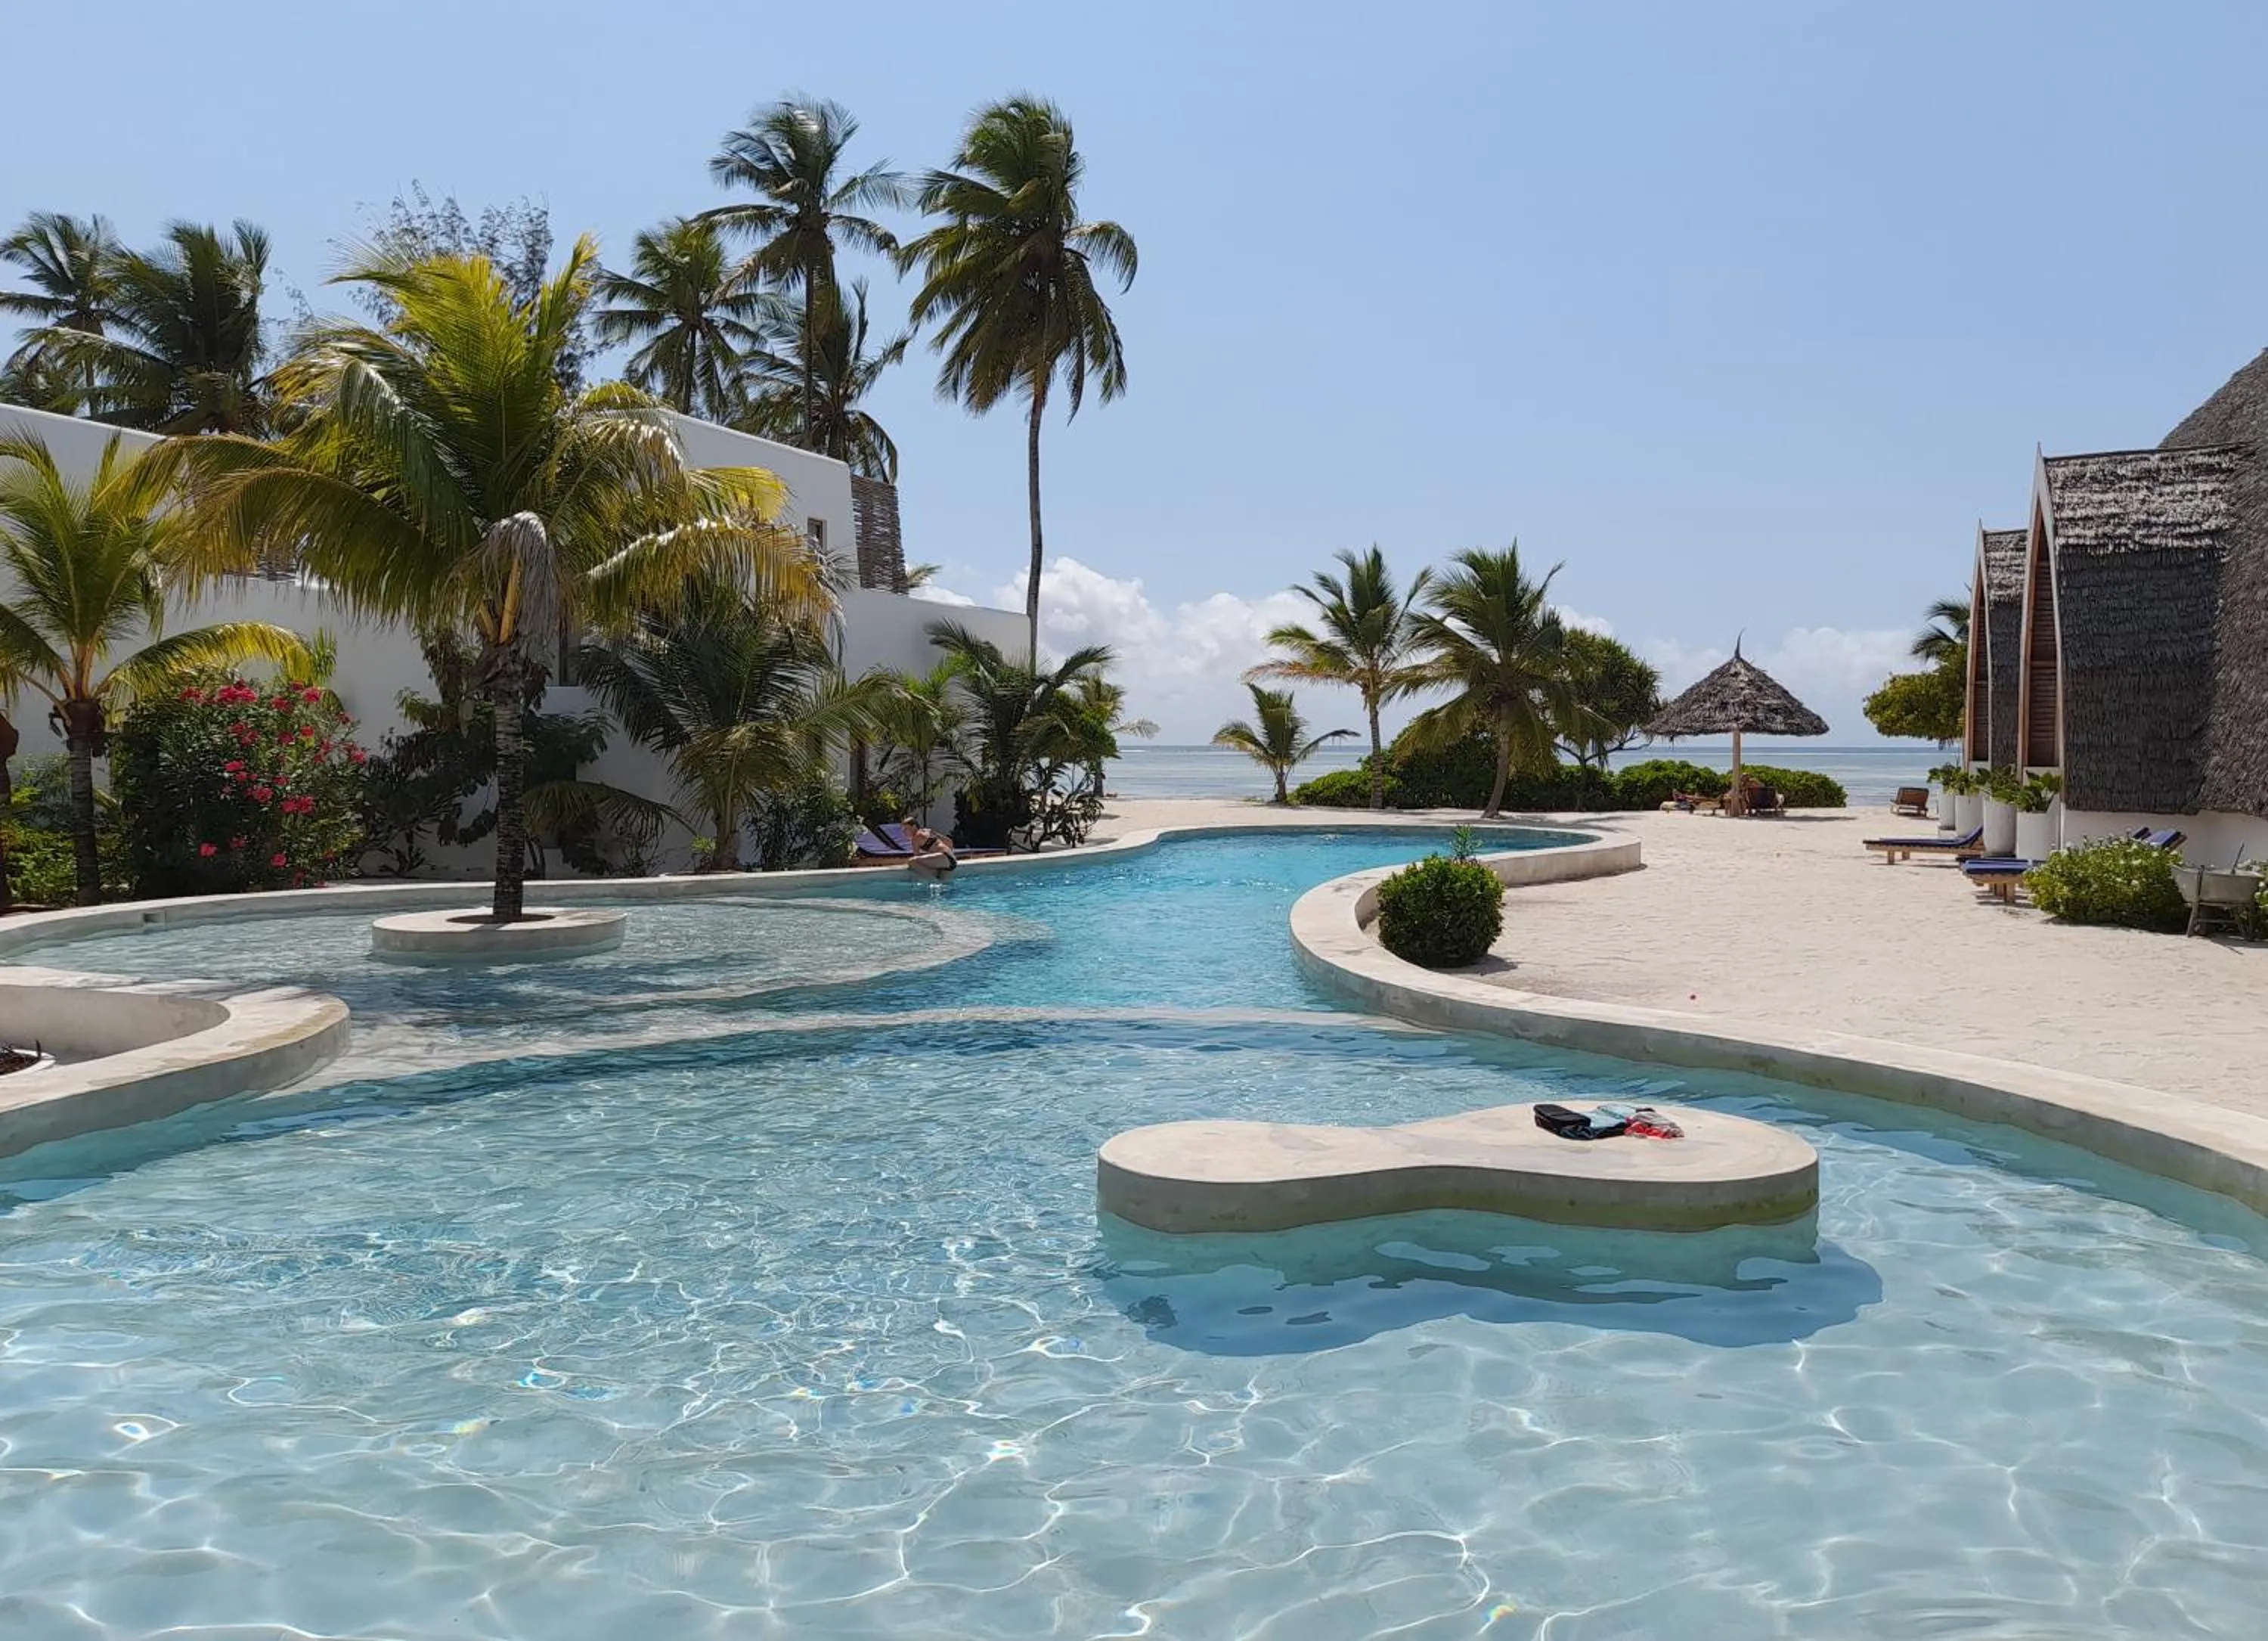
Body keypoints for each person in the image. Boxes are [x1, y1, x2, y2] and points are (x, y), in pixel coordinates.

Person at [901, 813, 959, 877]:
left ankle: (932, 880)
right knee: (942, 884)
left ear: (914, 827)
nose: (904, 832)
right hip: (951, 858)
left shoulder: (916, 838)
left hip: (943, 857)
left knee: (912, 862)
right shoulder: (928, 831)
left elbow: (916, 856)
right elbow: (949, 841)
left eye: (906, 829)